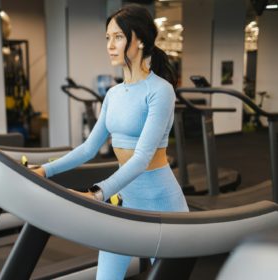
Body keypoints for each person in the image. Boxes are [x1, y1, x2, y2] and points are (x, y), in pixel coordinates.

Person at [33, 4, 189, 280]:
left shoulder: (160, 91)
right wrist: (46, 170)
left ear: (139, 40)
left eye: (117, 37)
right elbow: (88, 148)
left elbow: (141, 158)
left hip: (163, 207)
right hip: (128, 203)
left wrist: (97, 192)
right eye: (107, 38)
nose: (110, 45)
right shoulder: (114, 94)